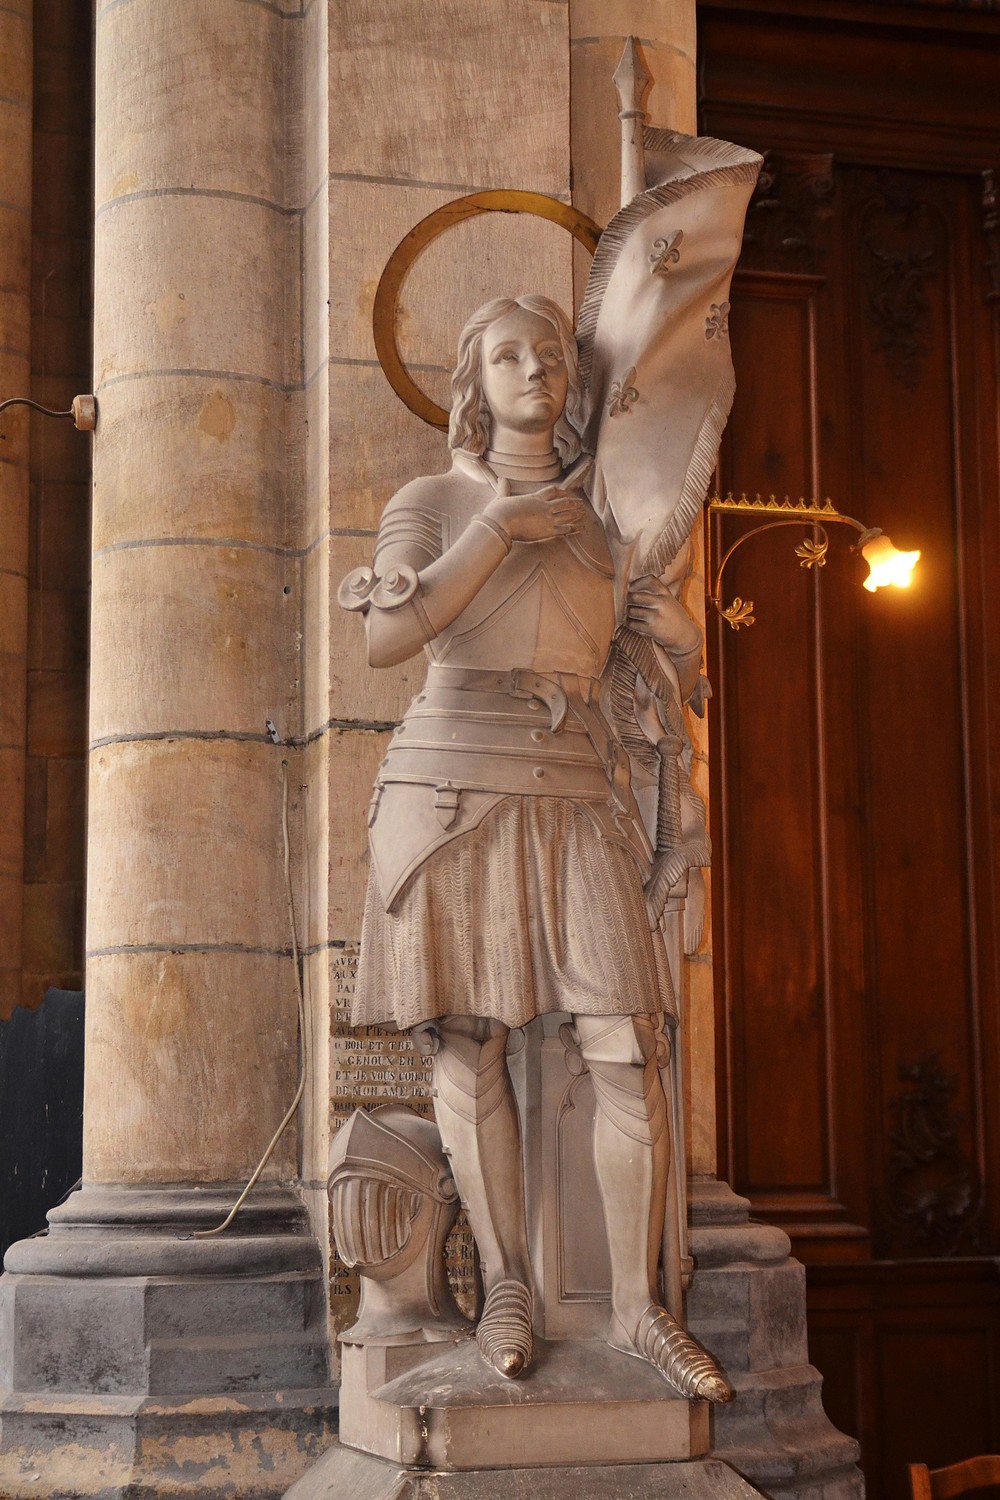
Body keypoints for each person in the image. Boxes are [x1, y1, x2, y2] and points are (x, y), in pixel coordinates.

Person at [338, 294, 730, 1403]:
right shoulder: (431, 501)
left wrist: (679, 645)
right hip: (453, 786)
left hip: (574, 791)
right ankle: (505, 1282)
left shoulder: (608, 520)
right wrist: (502, 530)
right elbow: (386, 635)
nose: (533, 370)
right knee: (469, 1043)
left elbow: (635, 670)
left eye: (550, 354)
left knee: (624, 1044)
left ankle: (640, 1307)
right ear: (473, 379)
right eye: (507, 353)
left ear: (572, 378)